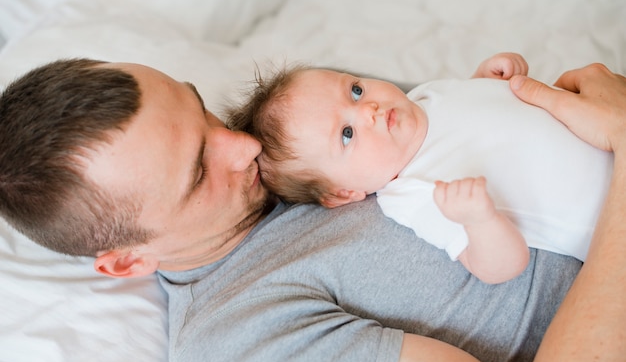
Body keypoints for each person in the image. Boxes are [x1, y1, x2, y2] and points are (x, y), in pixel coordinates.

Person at [0, 58, 624, 362]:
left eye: (203, 112)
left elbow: (455, 109)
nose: (243, 146)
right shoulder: (240, 343)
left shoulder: (287, 124)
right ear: (128, 261)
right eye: (197, 172)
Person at [226, 53, 612, 284]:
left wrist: (485, 80)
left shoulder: (421, 97)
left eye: (355, 90)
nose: (368, 110)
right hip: (607, 212)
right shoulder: (413, 193)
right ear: (343, 192)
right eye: (346, 134)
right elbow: (500, 267)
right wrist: (480, 220)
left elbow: (471, 117)